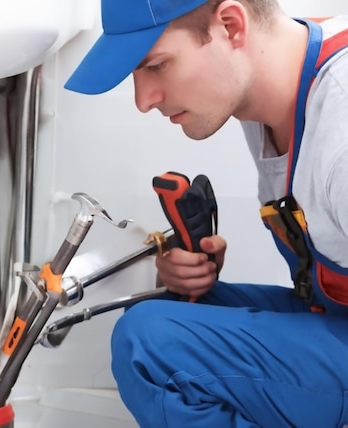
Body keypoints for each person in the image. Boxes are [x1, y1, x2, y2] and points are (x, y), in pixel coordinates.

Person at [64, 0, 348, 427]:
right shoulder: (274, 94)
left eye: (157, 65)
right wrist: (191, 274)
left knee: (149, 343)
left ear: (231, 26)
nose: (143, 100)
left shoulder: (341, 123)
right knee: (165, 306)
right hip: (333, 315)